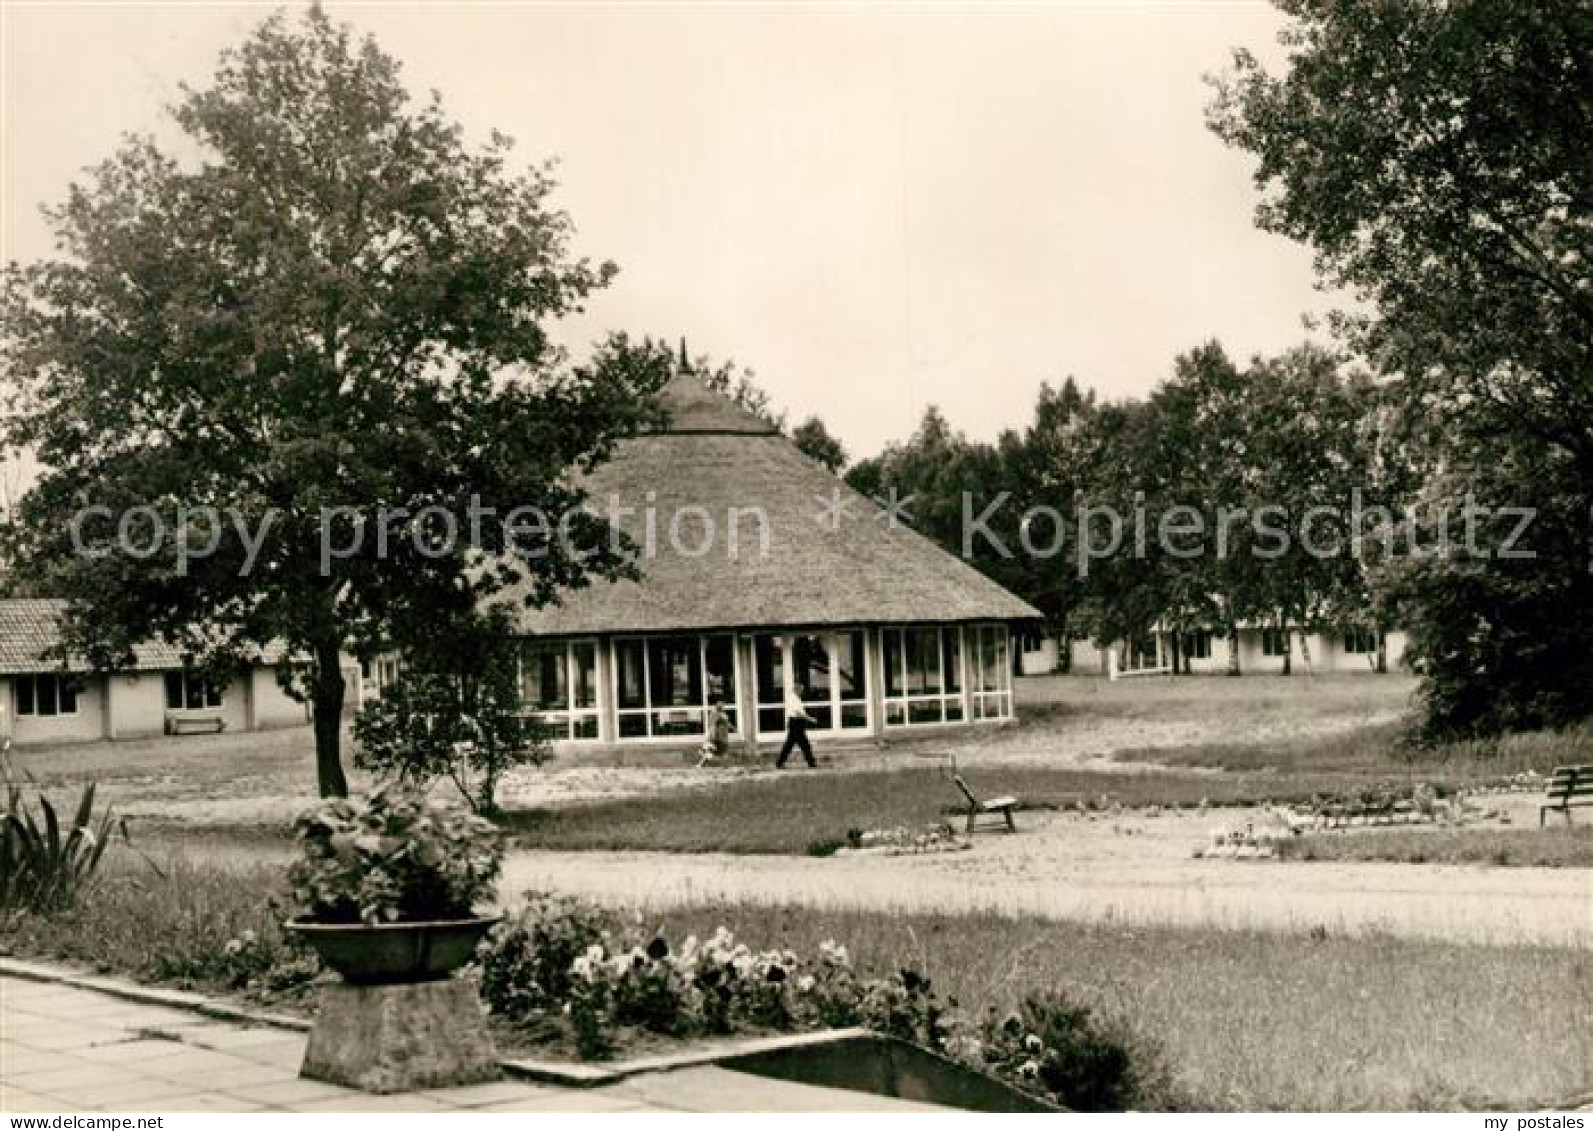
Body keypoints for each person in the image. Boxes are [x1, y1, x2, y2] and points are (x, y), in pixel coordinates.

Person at [776, 687, 818, 768]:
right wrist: (810, 719)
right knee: (804, 744)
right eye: (801, 689)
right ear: (796, 690)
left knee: (789, 745)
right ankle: (811, 763)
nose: (802, 691)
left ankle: (780, 763)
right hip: (796, 723)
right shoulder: (794, 699)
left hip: (795, 723)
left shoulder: (796, 698)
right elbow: (798, 713)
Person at [697, 699, 732, 768]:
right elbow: (713, 725)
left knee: (717, 751)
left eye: (723, 706)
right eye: (721, 706)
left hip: (721, 736)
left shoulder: (721, 715)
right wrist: (713, 735)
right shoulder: (716, 714)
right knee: (711, 750)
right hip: (717, 736)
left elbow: (726, 724)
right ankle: (702, 764)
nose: (723, 707)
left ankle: (725, 765)